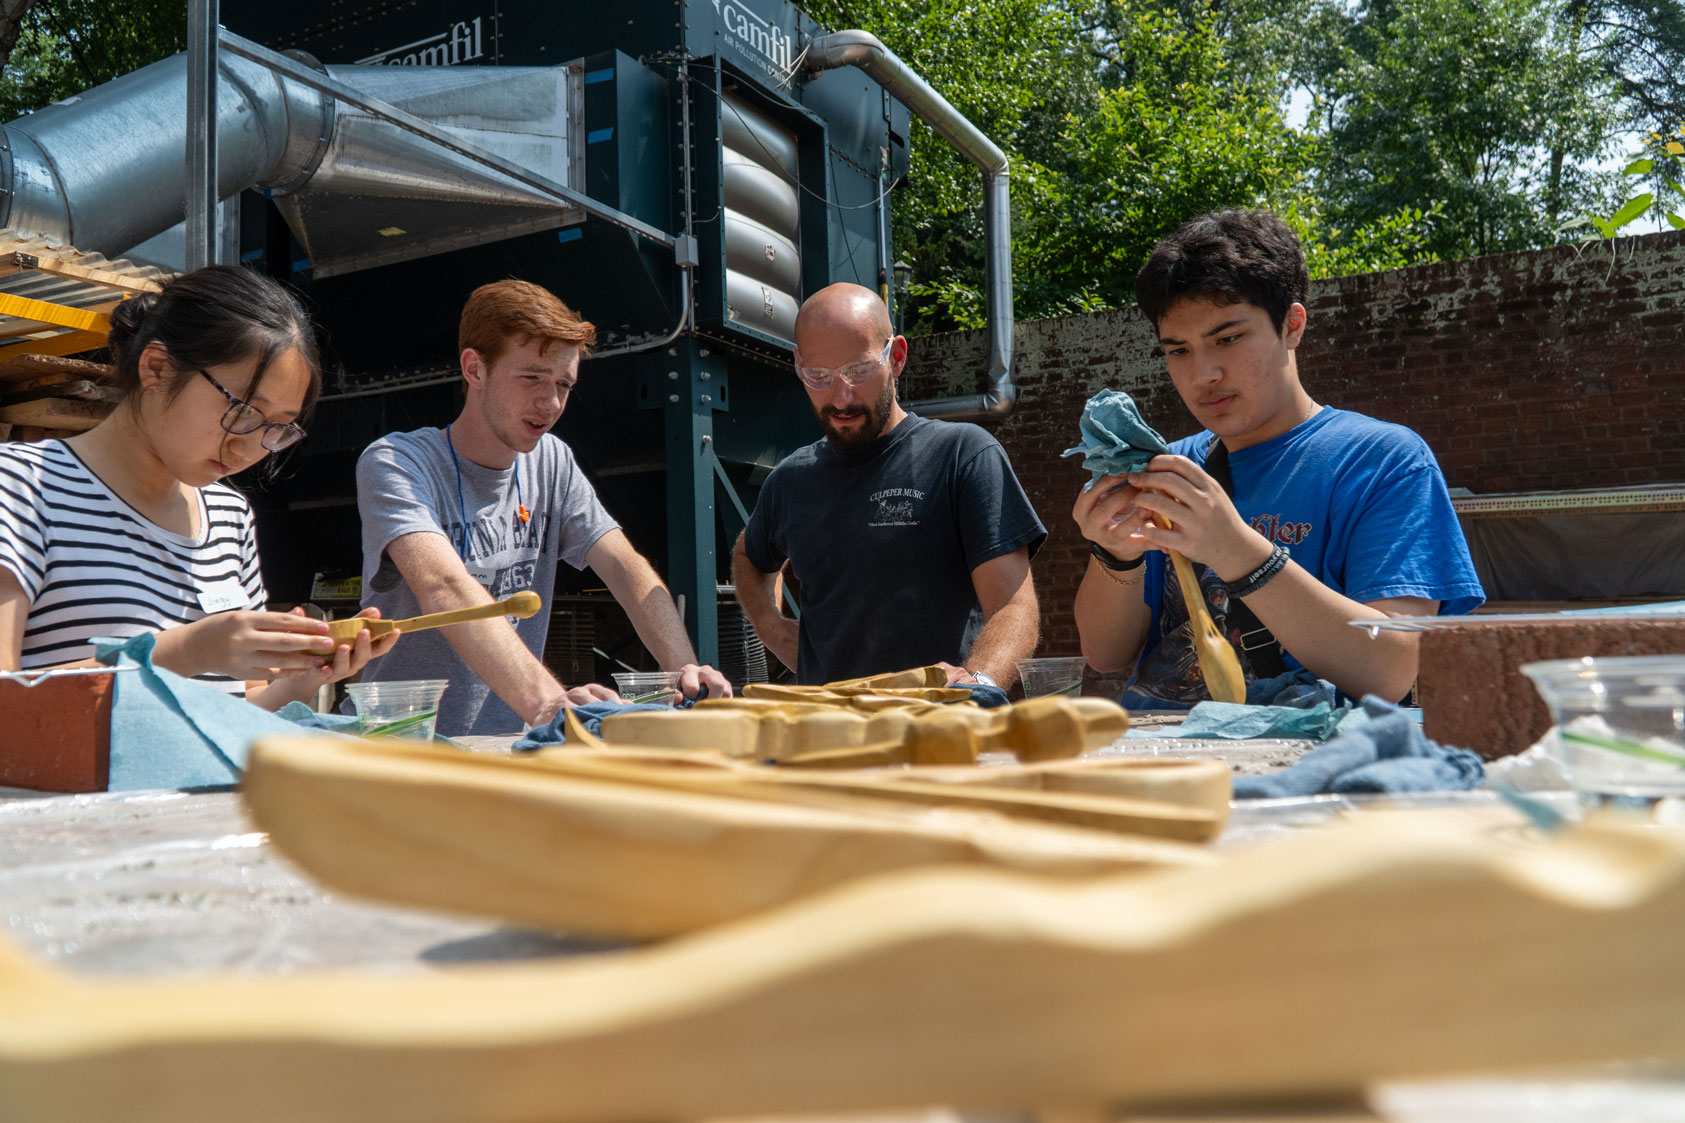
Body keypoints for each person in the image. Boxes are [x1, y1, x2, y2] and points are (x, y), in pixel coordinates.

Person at [1072, 209, 1484, 707]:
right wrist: (1114, 554)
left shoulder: (1383, 460)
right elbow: (1105, 655)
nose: (1203, 374)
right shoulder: (1171, 468)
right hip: (1168, 759)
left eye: (1227, 339)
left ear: (1292, 325)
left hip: (1312, 768)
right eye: (1178, 350)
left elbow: (1390, 670)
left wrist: (1235, 551)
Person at [0, 265, 394, 706]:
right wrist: (187, 650)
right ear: (157, 368)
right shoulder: (19, 486)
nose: (248, 448)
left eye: (278, 428)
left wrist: (305, 680)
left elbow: (236, 714)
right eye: (243, 410)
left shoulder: (229, 515)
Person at [355, 279, 731, 736]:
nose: (550, 403)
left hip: (513, 745)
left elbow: (623, 565)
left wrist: (684, 669)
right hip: (411, 745)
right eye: (531, 377)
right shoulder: (397, 461)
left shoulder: (552, 461)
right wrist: (549, 702)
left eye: (564, 384)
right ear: (474, 369)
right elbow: (444, 584)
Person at [733, 282, 1046, 688]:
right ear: (798, 364)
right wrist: (773, 629)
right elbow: (749, 557)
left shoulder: (962, 455)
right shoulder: (791, 479)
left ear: (896, 357)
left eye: (858, 371)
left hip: (939, 730)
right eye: (818, 376)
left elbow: (1014, 608)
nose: (841, 397)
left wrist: (979, 685)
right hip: (827, 737)